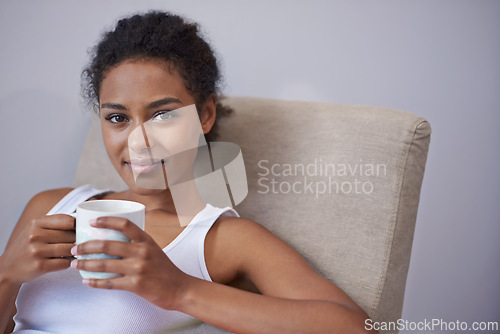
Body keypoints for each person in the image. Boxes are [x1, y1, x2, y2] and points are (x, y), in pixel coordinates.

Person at [0, 11, 373, 333]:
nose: (138, 141)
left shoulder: (224, 240)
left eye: (162, 114)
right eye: (117, 118)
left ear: (206, 114)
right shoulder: (50, 207)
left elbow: (358, 328)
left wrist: (180, 290)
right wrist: (6, 274)